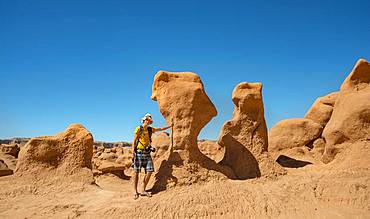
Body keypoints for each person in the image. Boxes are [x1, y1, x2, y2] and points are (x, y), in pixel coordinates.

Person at [132, 113, 172, 199]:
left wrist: (170, 126)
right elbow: (134, 140)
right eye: (147, 120)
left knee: (150, 171)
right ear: (144, 120)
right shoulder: (139, 128)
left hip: (147, 153)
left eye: (149, 121)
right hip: (138, 152)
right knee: (136, 173)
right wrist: (133, 152)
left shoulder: (150, 129)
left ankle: (143, 189)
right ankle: (135, 191)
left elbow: (160, 129)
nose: (148, 121)